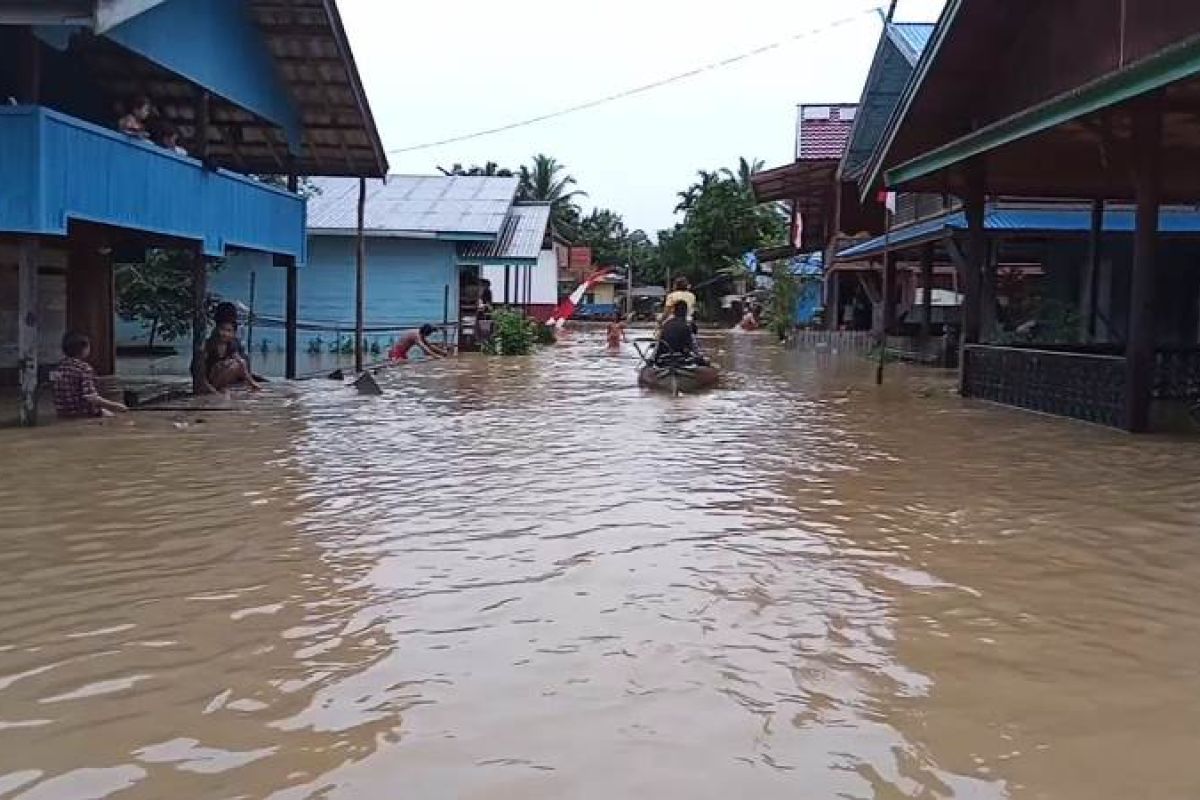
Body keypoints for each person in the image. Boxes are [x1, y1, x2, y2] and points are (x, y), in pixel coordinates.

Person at [53, 331, 128, 418]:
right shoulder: (84, 368)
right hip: (84, 413)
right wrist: (116, 406)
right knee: (116, 418)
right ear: (84, 349)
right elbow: (91, 397)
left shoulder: (59, 367)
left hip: (63, 413)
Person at [201, 305, 261, 393]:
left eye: (228, 331)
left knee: (238, 363)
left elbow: (241, 362)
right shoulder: (210, 344)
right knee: (230, 364)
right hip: (212, 377)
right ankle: (217, 387)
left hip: (225, 376)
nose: (224, 333)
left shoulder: (232, 344)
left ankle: (224, 386)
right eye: (222, 329)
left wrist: (251, 382)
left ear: (233, 333)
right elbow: (201, 366)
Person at [655, 301, 707, 366]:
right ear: (686, 312)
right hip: (680, 358)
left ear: (674, 312)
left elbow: (659, 345)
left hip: (664, 358)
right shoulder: (687, 326)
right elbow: (693, 347)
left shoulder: (666, 324)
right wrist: (702, 360)